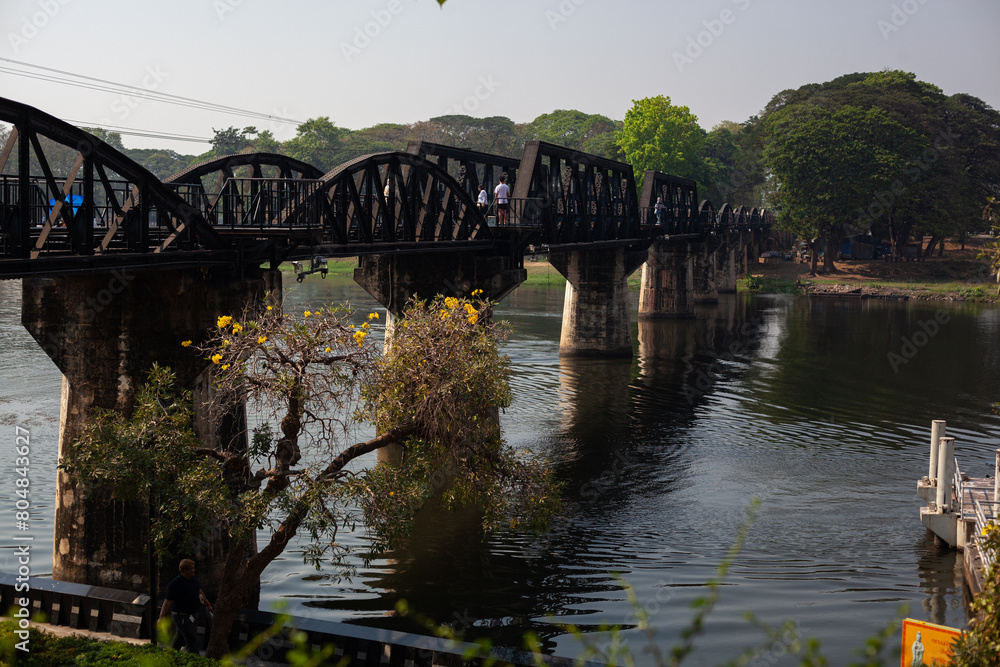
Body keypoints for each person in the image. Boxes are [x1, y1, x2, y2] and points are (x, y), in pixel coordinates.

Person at [159, 559, 213, 653]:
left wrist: (207, 604)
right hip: (180, 616)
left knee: (180, 636)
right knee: (191, 639)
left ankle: (172, 654)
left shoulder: (193, 580)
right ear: (185, 570)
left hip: (191, 615)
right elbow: (167, 602)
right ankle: (194, 658)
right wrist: (161, 617)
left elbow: (199, 591)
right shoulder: (174, 584)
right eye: (192, 568)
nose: (194, 570)